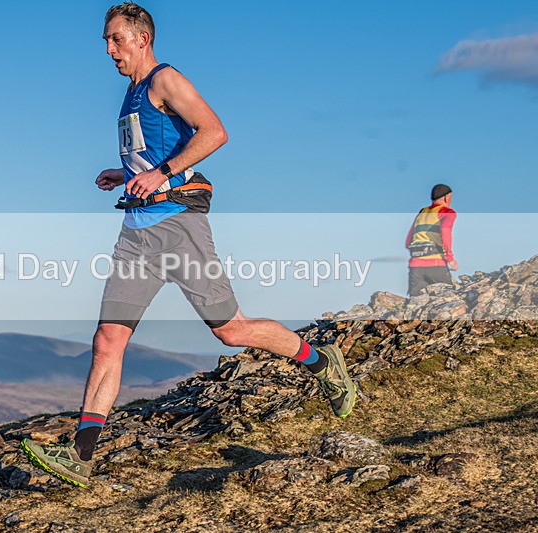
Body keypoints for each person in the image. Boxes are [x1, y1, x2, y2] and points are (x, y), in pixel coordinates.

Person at [20, 2, 356, 488]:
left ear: (141, 38)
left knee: (232, 330)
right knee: (108, 339)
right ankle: (81, 456)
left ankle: (324, 363)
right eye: (105, 41)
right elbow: (155, 149)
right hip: (136, 231)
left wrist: (160, 173)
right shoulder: (131, 93)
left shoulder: (164, 78)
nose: (109, 49)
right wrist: (129, 173)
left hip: (178, 226)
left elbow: (214, 131)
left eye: (115, 39)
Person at [405, 184, 457, 296]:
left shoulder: (422, 212)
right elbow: (445, 231)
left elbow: (408, 241)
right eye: (451, 197)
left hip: (416, 267)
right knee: (447, 298)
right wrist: (450, 258)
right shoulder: (448, 212)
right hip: (436, 264)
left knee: (416, 303)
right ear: (446, 197)